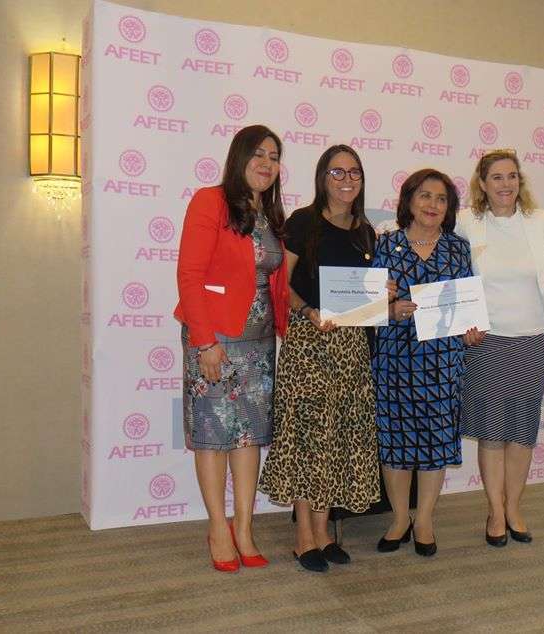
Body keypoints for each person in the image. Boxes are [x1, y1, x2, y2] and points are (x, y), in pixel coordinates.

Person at [258, 145, 382, 573]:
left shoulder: (367, 232)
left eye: (354, 172)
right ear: (322, 177)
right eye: (337, 171)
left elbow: (366, 296)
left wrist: (382, 299)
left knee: (338, 437)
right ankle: (303, 537)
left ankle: (325, 532)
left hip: (350, 348)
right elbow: (281, 283)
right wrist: (308, 311)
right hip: (309, 343)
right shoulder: (303, 222)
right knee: (308, 437)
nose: (346, 179)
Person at [174, 124, 289, 572]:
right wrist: (204, 340)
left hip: (260, 343)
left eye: (274, 156)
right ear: (239, 157)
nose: (266, 162)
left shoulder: (270, 214)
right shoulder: (211, 200)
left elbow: (275, 279)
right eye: (258, 153)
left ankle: (244, 527)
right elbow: (190, 274)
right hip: (215, 337)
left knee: (248, 437)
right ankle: (218, 528)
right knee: (214, 435)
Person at [454, 150, 544, 547]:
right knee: (492, 433)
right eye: (496, 177)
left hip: (534, 341)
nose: (505, 184)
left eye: (512, 176)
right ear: (482, 183)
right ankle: (495, 512)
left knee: (521, 432)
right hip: (487, 343)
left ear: (521, 181)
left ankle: (514, 507)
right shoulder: (466, 223)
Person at [372, 168, 480, 557]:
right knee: (396, 442)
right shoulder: (386, 245)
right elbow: (364, 307)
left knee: (435, 442)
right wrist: (389, 309)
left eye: (441, 198)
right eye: (425, 196)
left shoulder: (458, 248)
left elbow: (469, 307)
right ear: (409, 201)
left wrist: (471, 330)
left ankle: (425, 519)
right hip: (394, 359)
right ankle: (400, 517)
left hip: (442, 361)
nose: (432, 204)